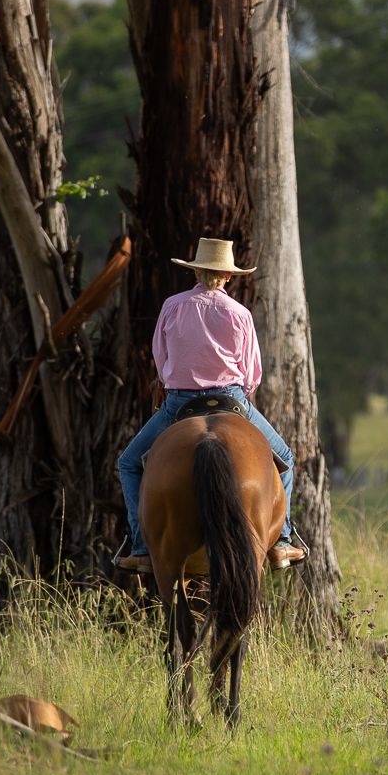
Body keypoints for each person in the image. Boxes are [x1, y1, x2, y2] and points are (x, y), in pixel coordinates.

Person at [115, 238, 302, 573]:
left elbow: (161, 356)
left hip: (180, 402)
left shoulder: (172, 306)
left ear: (197, 272)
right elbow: (252, 372)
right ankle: (282, 541)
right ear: (228, 276)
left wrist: (175, 379)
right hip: (232, 399)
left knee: (128, 463)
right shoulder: (240, 313)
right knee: (285, 457)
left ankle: (141, 547)